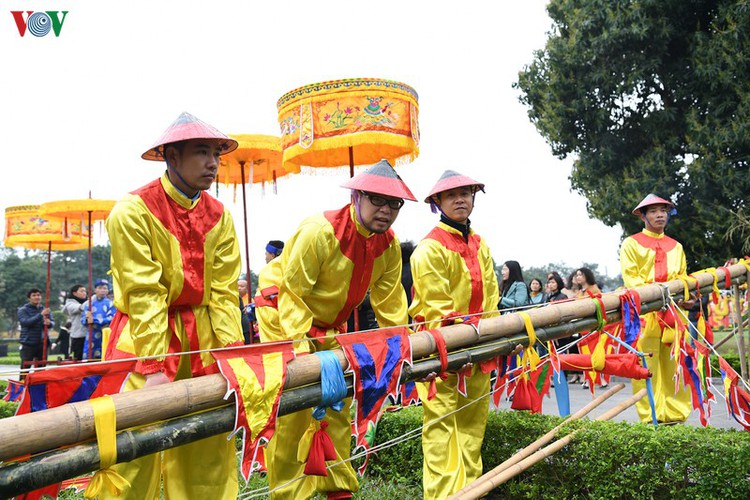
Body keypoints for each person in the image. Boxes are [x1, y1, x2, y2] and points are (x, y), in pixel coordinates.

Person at [103, 112, 244, 499]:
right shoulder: (133, 210)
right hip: (142, 338)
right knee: (132, 445)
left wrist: (232, 357)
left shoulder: (220, 216)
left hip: (204, 336)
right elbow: (142, 292)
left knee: (208, 442)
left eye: (216, 153)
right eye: (202, 152)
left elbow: (224, 295)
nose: (213, 163)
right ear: (171, 157)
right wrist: (153, 365)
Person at [255, 159, 414, 499]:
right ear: (356, 196)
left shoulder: (389, 245)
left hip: (329, 325)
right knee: (295, 408)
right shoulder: (319, 231)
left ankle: (338, 490)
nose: (385, 210)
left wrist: (404, 346)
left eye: (394, 203)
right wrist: (298, 351)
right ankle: (286, 493)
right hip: (281, 314)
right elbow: (293, 293)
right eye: (377, 199)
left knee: (339, 403)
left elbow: (390, 302)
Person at [409, 170, 499, 499]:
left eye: (466, 193)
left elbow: (491, 296)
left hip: (480, 345)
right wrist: (469, 336)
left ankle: (470, 490)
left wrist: (490, 336)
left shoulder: (480, 243)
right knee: (441, 427)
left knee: (474, 424)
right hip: (442, 351)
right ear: (437, 203)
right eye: (451, 195)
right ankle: (444, 495)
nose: (461, 199)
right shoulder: (429, 248)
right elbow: (436, 308)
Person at [620, 193, 693, 424]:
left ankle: (676, 414)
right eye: (653, 211)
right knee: (646, 365)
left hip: (674, 316)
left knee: (675, 363)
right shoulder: (631, 244)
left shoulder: (677, 247)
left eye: (663, 210)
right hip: (645, 316)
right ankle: (651, 415)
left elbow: (682, 278)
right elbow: (632, 279)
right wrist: (656, 295)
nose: (659, 215)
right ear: (643, 215)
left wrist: (685, 297)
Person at [17, 288, 53, 372]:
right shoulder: (23, 310)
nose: (37, 297)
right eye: (34, 295)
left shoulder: (45, 309)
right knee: (25, 368)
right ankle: (24, 384)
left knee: (41, 369)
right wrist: (40, 315)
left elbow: (52, 323)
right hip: (28, 343)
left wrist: (49, 323)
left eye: (38, 295)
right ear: (29, 298)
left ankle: (39, 385)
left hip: (43, 343)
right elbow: (25, 322)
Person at [81, 279, 116, 359]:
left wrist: (95, 320)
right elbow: (83, 319)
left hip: (105, 333)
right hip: (91, 334)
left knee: (104, 354)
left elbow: (111, 318)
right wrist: (87, 320)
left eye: (105, 288)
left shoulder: (111, 303)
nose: (102, 290)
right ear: (95, 289)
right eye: (100, 288)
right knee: (88, 355)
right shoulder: (89, 303)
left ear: (107, 290)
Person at [63, 284, 87, 360]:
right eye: (81, 291)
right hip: (78, 336)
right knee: (79, 358)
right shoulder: (70, 303)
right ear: (74, 293)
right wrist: (93, 300)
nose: (84, 293)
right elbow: (80, 308)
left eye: (85, 291)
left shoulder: (86, 301)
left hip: (89, 334)